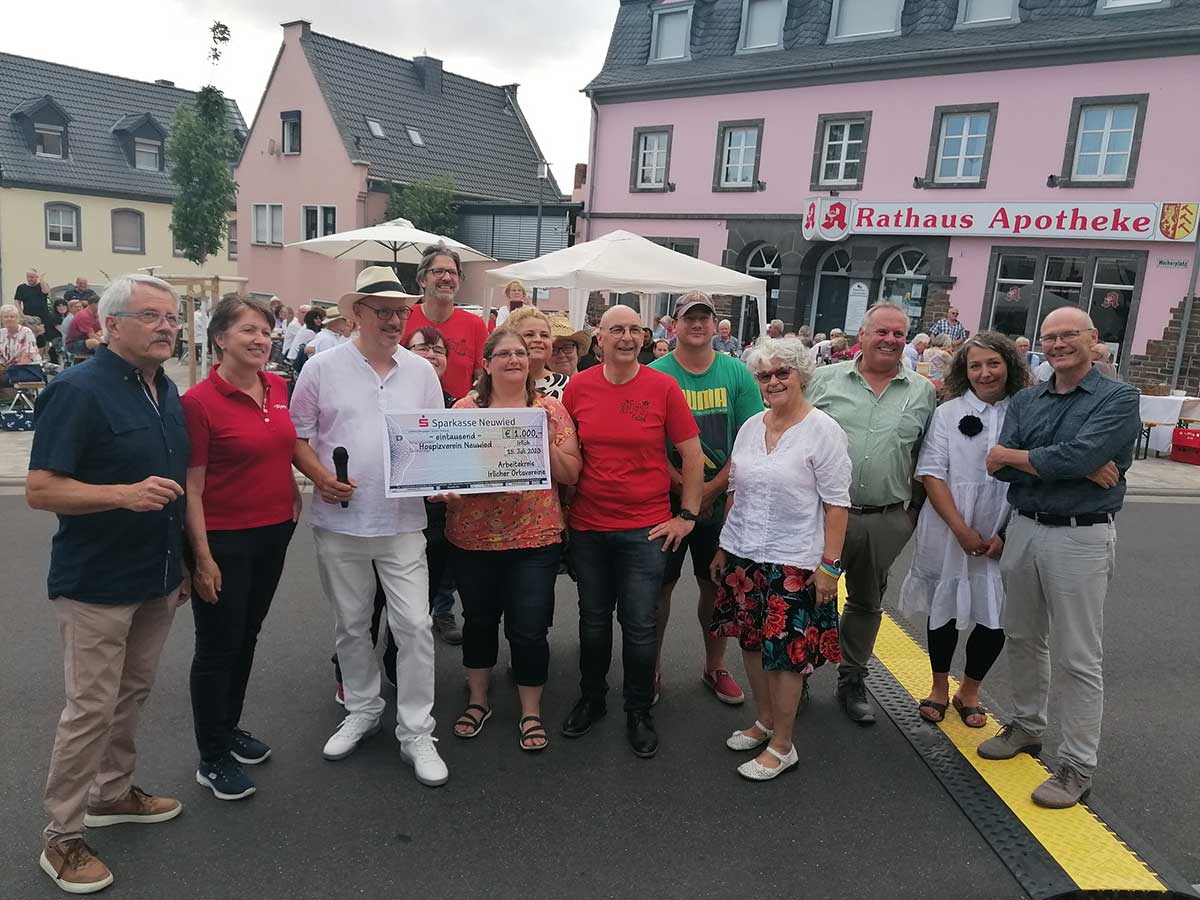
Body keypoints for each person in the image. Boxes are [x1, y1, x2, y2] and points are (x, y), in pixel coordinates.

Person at [26, 274, 189, 894]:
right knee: (89, 708)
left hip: (155, 576)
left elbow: (175, 487)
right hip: (95, 582)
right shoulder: (77, 390)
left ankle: (112, 794)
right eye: (152, 316)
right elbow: (41, 490)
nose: (166, 327)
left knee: (132, 694)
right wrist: (122, 495)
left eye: (172, 317)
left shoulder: (165, 389)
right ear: (110, 325)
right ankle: (62, 837)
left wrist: (183, 566)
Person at [290, 268, 450, 786]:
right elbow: (298, 437)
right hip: (341, 520)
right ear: (355, 313)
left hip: (404, 522)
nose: (395, 321)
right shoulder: (321, 367)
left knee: (416, 627)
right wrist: (319, 477)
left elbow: (434, 440)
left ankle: (416, 730)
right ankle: (362, 708)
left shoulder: (422, 372)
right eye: (383, 311)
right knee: (352, 624)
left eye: (401, 312)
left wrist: (442, 481)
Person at [981, 307, 1140, 809]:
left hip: (1080, 536)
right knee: (1023, 637)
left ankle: (1076, 765)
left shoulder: (1120, 397)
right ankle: (1027, 727)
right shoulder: (1028, 398)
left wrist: (1037, 458)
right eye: (1049, 337)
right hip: (1024, 528)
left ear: (1094, 340)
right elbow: (1000, 466)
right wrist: (1070, 461)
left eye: (1069, 335)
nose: (1057, 344)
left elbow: (1069, 456)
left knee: (1078, 656)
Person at [560, 304, 704, 758]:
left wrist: (688, 515)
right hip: (589, 525)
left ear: (643, 337)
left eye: (633, 329)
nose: (625, 336)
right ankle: (593, 698)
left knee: (640, 625)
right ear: (598, 338)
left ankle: (638, 709)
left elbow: (693, 455)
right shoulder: (578, 388)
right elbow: (567, 455)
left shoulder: (663, 387)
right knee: (593, 621)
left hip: (646, 528)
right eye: (615, 329)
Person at [710, 337, 851, 780]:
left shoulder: (824, 430)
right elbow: (737, 491)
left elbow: (837, 505)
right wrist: (723, 547)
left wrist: (830, 566)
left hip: (795, 559)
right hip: (747, 554)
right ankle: (765, 720)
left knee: (786, 655)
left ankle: (784, 744)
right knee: (752, 643)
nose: (772, 382)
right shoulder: (751, 426)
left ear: (801, 375)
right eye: (764, 375)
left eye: (781, 373)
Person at [181, 295, 302, 802]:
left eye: (267, 332)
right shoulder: (198, 402)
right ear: (220, 338)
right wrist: (202, 558)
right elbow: (191, 487)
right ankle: (211, 756)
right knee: (218, 646)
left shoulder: (277, 385)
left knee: (247, 634)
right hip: (224, 539)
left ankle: (229, 728)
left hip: (274, 531)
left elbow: (289, 445)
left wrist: (309, 485)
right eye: (249, 330)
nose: (260, 340)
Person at [443, 328, 582, 750]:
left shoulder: (550, 410)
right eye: (502, 354)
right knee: (479, 622)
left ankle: (530, 710)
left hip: (534, 538)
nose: (513, 360)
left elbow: (572, 474)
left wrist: (541, 439)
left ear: (530, 361)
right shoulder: (464, 409)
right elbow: (445, 467)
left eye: (520, 353)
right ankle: (479, 700)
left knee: (528, 629)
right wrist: (445, 485)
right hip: (472, 537)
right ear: (486, 364)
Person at [807, 303, 937, 725]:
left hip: (885, 518)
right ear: (860, 336)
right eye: (882, 332)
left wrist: (911, 515)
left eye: (899, 334)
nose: (890, 340)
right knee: (807, 595)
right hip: (824, 514)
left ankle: (852, 678)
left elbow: (926, 456)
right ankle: (799, 672)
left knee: (866, 601)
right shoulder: (823, 381)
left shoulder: (922, 391)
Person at [898, 333, 1030, 729]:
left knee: (994, 616)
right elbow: (932, 473)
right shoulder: (948, 412)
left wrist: (1003, 532)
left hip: (1003, 522)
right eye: (976, 365)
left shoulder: (1024, 412)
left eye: (993, 363)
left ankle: (969, 691)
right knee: (945, 606)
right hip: (949, 522)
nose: (985, 372)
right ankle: (939, 686)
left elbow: (1030, 474)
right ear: (964, 370)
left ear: (1009, 365)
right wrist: (960, 529)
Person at [649, 292, 763, 707]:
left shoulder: (737, 374)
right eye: (688, 318)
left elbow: (751, 442)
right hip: (664, 501)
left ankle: (716, 665)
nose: (697, 325)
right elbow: (646, 444)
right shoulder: (655, 373)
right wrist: (683, 487)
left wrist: (710, 492)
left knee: (715, 587)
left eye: (705, 318)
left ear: (716, 325)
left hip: (721, 504)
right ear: (673, 326)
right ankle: (652, 668)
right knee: (658, 589)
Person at [405, 326, 463, 644]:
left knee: (425, 593)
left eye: (438, 350)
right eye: (422, 348)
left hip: (438, 515)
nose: (431, 355)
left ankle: (403, 660)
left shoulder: (458, 405)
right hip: (393, 514)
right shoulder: (391, 399)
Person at [402, 247, 488, 399]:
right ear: (422, 280)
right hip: (410, 414)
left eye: (453, 272)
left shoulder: (475, 325)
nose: (447, 278)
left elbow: (483, 377)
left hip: (457, 418)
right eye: (438, 271)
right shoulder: (403, 317)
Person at [507, 306, 570, 398]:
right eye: (529, 334)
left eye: (544, 335)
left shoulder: (568, 386)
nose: (538, 339)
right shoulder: (497, 384)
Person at [1, 303, 44, 385]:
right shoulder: (1, 333)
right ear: (2, 319)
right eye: (5, 317)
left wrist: (9, 369)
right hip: (7, 369)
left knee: (5, 380)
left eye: (12, 316)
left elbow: (27, 356)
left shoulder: (26, 332)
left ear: (17, 318)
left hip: (26, 369)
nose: (9, 319)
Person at [15, 269, 52, 347]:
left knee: (43, 338)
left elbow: (46, 291)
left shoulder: (42, 285)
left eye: (32, 277)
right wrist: (21, 315)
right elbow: (17, 302)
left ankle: (43, 355)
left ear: (36, 277)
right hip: (28, 317)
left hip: (43, 317)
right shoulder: (21, 287)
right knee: (29, 337)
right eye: (28, 277)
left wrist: (42, 279)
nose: (29, 279)